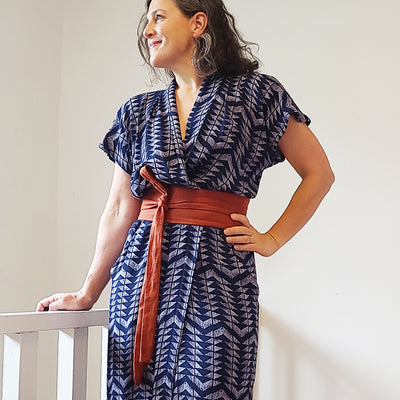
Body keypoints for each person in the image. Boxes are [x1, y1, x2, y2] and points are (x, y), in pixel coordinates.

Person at [36, 0, 335, 398]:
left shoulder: (258, 95)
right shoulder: (137, 113)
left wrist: (272, 238)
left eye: (158, 17)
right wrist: (87, 292)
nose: (147, 30)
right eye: (146, 20)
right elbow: (120, 209)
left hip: (220, 278)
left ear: (198, 23)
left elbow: (319, 173)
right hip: (140, 277)